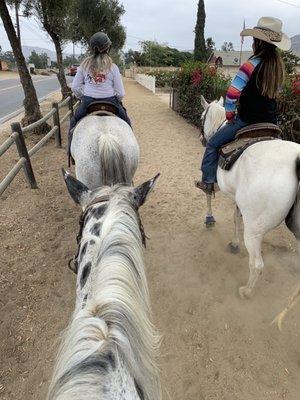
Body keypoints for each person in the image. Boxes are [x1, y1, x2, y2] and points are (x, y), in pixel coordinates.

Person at [196, 17, 291, 195]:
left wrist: (230, 116)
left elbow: (232, 95)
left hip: (246, 122)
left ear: (257, 42)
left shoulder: (249, 65)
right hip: (271, 124)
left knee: (213, 145)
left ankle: (208, 181)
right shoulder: (278, 69)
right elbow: (275, 95)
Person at [70, 31, 131, 131]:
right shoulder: (113, 67)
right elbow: (120, 93)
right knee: (127, 122)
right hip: (110, 101)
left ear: (91, 48)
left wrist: (83, 97)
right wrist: (116, 100)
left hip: (88, 102)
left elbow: (75, 87)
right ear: (107, 48)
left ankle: (69, 147)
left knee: (73, 122)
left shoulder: (84, 66)